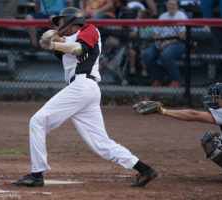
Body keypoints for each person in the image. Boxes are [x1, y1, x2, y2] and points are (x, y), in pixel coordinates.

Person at [12, 7, 158, 187]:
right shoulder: (67, 39)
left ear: (73, 21)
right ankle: (144, 169)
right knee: (101, 143)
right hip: (82, 90)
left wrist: (54, 42)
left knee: (37, 122)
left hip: (83, 86)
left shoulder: (89, 30)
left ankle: (36, 175)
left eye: (62, 22)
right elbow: (59, 45)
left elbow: (79, 49)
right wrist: (50, 39)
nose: (60, 25)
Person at [135, 82, 222, 185]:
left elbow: (193, 115)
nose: (214, 100)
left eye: (217, 97)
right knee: (221, 141)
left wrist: (162, 111)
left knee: (212, 140)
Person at [142, 0, 187, 87]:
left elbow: (181, 36)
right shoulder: (163, 16)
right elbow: (156, 33)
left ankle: (176, 79)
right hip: (162, 42)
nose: (171, 6)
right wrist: (158, 43)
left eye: (173, 4)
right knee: (147, 54)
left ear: (177, 6)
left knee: (165, 55)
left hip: (177, 43)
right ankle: (159, 77)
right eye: (169, 4)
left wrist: (165, 44)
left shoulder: (181, 16)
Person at [128, 9, 154, 79]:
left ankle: (144, 73)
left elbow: (153, 39)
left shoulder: (151, 27)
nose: (136, 18)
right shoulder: (138, 26)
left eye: (138, 17)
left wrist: (145, 45)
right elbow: (133, 34)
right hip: (140, 43)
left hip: (149, 44)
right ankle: (132, 71)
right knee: (132, 52)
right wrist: (133, 33)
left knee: (143, 51)